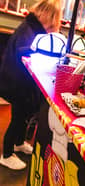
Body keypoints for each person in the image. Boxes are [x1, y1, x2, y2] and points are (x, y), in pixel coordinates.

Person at [0, 0, 62, 170]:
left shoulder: (31, 26)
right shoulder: (30, 30)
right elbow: (25, 51)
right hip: (15, 81)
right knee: (18, 117)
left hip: (17, 79)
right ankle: (6, 155)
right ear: (49, 16)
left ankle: (18, 143)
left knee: (23, 115)